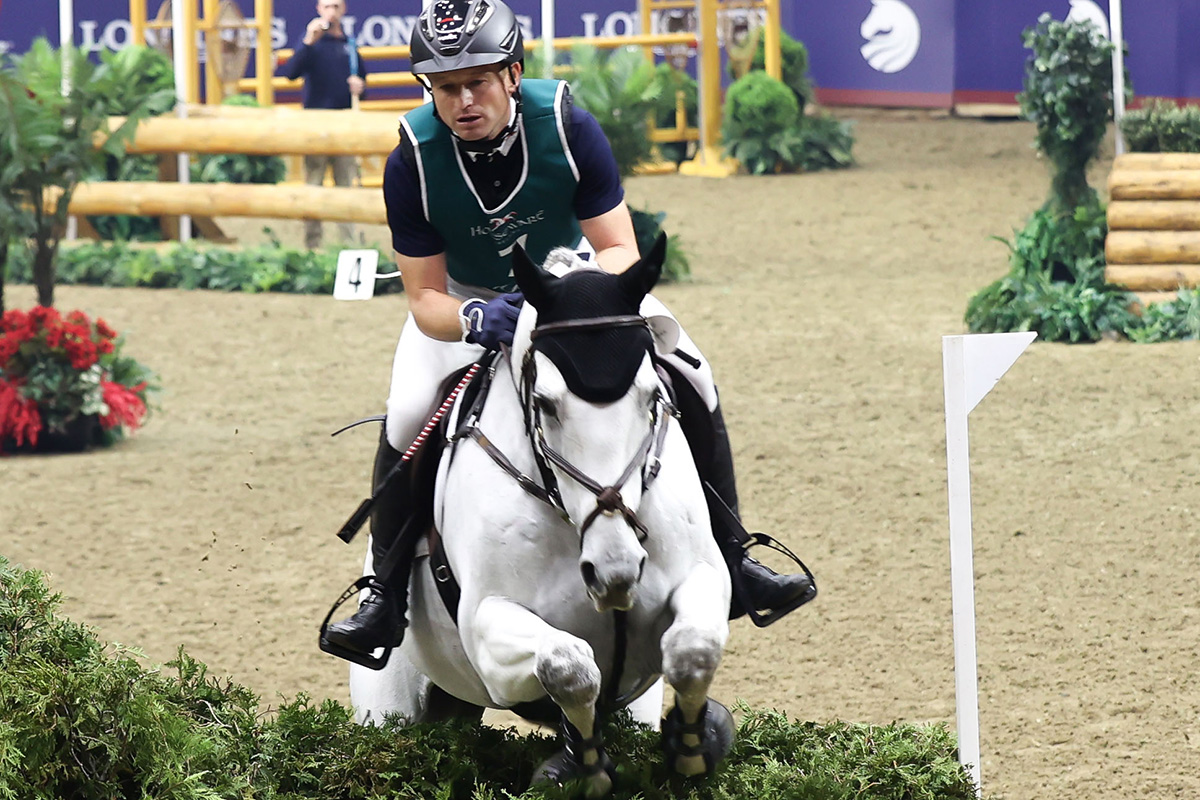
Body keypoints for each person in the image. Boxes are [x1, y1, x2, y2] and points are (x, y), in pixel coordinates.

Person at [321, 0, 814, 659]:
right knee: (410, 410)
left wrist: (568, 297)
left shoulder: (567, 124)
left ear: (513, 75)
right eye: (446, 87)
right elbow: (424, 297)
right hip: (471, 302)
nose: (464, 100)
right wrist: (475, 316)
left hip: (573, 283)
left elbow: (618, 250)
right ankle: (382, 596)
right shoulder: (412, 159)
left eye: (478, 82)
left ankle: (736, 558)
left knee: (694, 369)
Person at [280, 0, 367, 249]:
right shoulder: (311, 44)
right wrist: (308, 40)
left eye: (336, 6)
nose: (332, 11)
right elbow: (290, 73)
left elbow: (363, 85)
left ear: (344, 10)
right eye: (327, 6)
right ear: (319, 9)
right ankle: (312, 247)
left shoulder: (349, 45)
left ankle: (349, 247)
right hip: (315, 128)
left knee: (345, 187)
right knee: (314, 185)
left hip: (344, 127)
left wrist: (360, 87)